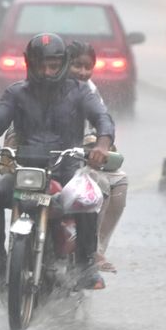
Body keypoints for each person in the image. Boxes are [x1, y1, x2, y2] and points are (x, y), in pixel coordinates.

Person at [0, 32, 115, 293]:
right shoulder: (16, 93)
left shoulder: (81, 92)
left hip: (66, 171)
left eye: (53, 65)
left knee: (86, 196)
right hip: (27, 172)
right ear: (30, 64)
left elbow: (103, 118)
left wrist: (102, 146)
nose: (47, 72)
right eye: (40, 65)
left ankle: (84, 265)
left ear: (62, 64)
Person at [66, 41, 129, 274]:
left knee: (118, 182)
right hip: (52, 157)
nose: (82, 72)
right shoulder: (46, 87)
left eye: (87, 67)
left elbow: (102, 119)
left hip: (81, 155)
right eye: (76, 66)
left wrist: (103, 144)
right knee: (98, 184)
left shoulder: (89, 90)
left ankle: (95, 248)